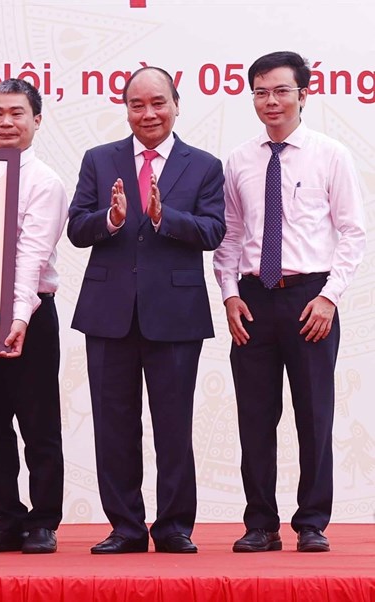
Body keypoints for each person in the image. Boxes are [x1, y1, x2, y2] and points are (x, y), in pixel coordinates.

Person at [67, 67, 225, 554]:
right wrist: (110, 220)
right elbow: (76, 228)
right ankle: (126, 528)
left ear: (176, 104)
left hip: (175, 313)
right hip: (108, 311)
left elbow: (213, 231)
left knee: (173, 423)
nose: (148, 113)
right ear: (127, 110)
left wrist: (164, 217)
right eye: (137, 105)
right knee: (113, 423)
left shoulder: (203, 165)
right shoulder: (100, 159)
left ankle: (175, 526)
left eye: (158, 102)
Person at [213, 51, 365, 554]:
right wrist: (230, 295)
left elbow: (353, 233)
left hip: (310, 299)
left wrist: (329, 297)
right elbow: (231, 236)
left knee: (314, 414)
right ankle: (260, 523)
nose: (270, 101)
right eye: (260, 91)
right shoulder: (239, 159)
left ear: (304, 94)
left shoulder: (330, 154)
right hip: (254, 300)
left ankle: (312, 521)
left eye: (281, 90)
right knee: (255, 417)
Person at [0, 79, 67, 555]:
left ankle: (43, 522)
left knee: (38, 422)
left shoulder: (46, 183)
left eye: (17, 113)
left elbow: (31, 257)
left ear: (36, 121)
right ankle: (6, 517)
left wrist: (18, 317)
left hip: (32, 315)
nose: (6, 122)